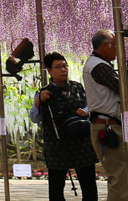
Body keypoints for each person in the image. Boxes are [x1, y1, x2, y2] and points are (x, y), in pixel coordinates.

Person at [83, 30, 128, 201]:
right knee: (121, 179)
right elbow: (125, 90)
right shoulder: (98, 66)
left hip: (110, 125)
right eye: (116, 46)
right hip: (108, 127)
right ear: (105, 45)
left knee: (121, 178)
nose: (119, 51)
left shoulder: (99, 65)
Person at [28, 52, 98, 201]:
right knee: (56, 191)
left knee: (90, 189)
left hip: (82, 145)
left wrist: (86, 111)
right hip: (57, 147)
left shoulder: (77, 87)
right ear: (49, 71)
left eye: (65, 66)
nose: (63, 70)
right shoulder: (43, 93)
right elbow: (35, 118)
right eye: (58, 67)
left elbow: (92, 106)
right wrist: (38, 101)